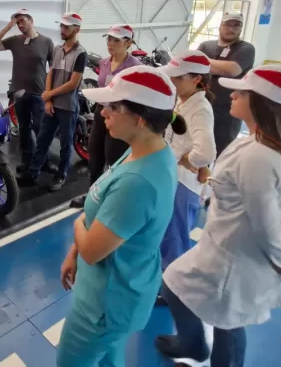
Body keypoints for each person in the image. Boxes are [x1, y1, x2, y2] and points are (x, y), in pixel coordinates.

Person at [156, 65, 281, 367]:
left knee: (226, 322)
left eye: (242, 92)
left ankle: (205, 351)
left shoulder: (259, 158)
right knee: (174, 284)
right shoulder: (254, 142)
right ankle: (193, 344)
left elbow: (269, 227)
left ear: (261, 102)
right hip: (221, 244)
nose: (233, 94)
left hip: (235, 257)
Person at [56, 66, 185, 367]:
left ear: (140, 119)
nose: (103, 113)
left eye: (113, 107)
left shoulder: (137, 183)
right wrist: (74, 250)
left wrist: (77, 226)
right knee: (109, 359)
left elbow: (92, 250)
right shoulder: (146, 149)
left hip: (105, 305)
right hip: (120, 287)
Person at [153, 50, 217, 306]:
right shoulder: (185, 100)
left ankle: (174, 292)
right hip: (174, 180)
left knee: (176, 238)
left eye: (178, 78)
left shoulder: (199, 108)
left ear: (196, 79)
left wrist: (184, 160)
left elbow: (206, 151)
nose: (173, 82)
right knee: (168, 236)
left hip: (184, 185)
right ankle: (168, 282)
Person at [19, 13, 87, 192]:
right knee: (42, 139)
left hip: (68, 107)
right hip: (52, 104)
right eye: (61, 26)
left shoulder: (81, 54)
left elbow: (73, 84)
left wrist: (49, 94)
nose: (62, 30)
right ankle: (33, 173)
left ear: (77, 29)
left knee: (66, 144)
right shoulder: (58, 49)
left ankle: (61, 175)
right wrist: (48, 98)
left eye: (66, 27)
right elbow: (51, 73)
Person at [0, 9, 55, 173]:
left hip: (39, 93)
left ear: (32, 21)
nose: (20, 25)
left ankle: (44, 160)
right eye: (17, 22)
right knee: (23, 129)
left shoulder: (46, 42)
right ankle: (26, 161)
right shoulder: (15, 41)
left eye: (23, 20)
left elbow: (53, 69)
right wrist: (7, 27)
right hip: (19, 93)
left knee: (40, 129)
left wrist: (50, 93)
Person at [87, 25, 142, 186]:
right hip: (101, 111)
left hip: (120, 115)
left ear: (128, 43)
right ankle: (93, 194)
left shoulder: (135, 67)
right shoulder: (104, 63)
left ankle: (112, 194)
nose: (110, 43)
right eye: (109, 39)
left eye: (116, 40)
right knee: (95, 154)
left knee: (114, 157)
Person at [197, 13, 256, 157]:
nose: (232, 29)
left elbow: (232, 70)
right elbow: (192, 67)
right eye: (228, 24)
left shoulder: (246, 49)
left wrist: (201, 61)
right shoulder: (206, 45)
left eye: (236, 25)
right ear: (220, 26)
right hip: (202, 106)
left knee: (221, 152)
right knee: (198, 147)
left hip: (228, 112)